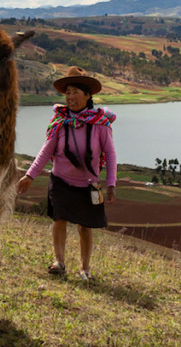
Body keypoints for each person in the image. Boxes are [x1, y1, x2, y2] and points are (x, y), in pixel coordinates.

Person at [16, 65, 117, 281]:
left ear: (88, 95)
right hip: (60, 180)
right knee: (59, 219)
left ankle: (85, 269)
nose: (70, 97)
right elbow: (46, 151)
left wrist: (111, 183)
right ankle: (59, 262)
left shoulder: (100, 124)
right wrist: (30, 175)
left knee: (85, 227)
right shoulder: (60, 122)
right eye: (68, 93)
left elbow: (110, 154)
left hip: (89, 185)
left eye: (76, 92)